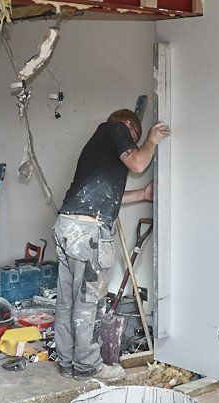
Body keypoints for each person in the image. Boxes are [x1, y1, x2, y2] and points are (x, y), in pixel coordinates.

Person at [53, 109, 167, 380]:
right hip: (87, 232)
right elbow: (139, 164)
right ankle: (88, 367)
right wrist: (151, 140)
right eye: (134, 137)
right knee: (89, 303)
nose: (133, 143)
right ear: (128, 125)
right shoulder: (114, 129)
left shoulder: (99, 146)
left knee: (68, 302)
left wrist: (142, 194)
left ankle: (68, 363)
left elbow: (108, 196)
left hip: (69, 225)